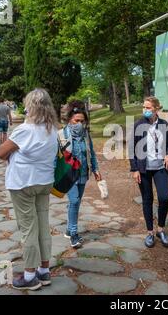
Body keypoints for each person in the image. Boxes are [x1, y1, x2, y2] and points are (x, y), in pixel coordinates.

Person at [0, 88, 59, 290]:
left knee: (28, 229)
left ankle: (30, 275)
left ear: (30, 106)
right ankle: (44, 270)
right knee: (42, 226)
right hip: (44, 182)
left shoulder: (25, 130)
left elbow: (1, 152)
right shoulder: (53, 129)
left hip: (23, 183)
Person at [130, 96, 168, 248]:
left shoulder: (163, 124)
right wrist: (134, 169)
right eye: (144, 107)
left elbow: (167, 146)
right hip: (144, 169)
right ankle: (150, 232)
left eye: (148, 107)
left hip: (161, 168)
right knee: (147, 199)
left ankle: (161, 229)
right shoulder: (138, 125)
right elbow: (132, 149)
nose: (145, 110)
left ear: (156, 109)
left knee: (164, 198)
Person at [58, 100, 102, 248]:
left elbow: (92, 153)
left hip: (83, 173)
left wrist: (96, 169)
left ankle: (69, 230)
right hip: (68, 174)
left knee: (75, 203)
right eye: (77, 121)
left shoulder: (85, 135)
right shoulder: (61, 134)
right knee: (75, 201)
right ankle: (74, 234)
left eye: (82, 122)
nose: (80, 124)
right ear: (70, 118)